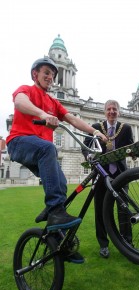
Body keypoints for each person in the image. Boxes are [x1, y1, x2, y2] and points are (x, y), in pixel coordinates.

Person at [6, 56, 107, 263]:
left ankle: (59, 240)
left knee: (60, 184)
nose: (50, 77)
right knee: (48, 148)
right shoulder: (27, 90)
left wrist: (93, 132)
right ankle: (54, 210)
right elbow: (19, 101)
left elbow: (71, 118)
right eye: (46, 73)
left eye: (52, 74)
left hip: (39, 152)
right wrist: (42, 114)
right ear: (35, 74)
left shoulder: (54, 102)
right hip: (19, 143)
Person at [82, 100, 134, 258]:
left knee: (124, 208)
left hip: (120, 174)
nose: (112, 112)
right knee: (101, 210)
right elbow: (85, 146)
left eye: (114, 109)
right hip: (100, 174)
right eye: (109, 109)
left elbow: (131, 147)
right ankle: (103, 244)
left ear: (119, 112)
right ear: (105, 112)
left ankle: (127, 242)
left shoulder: (126, 128)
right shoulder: (96, 128)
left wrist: (135, 151)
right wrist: (89, 155)